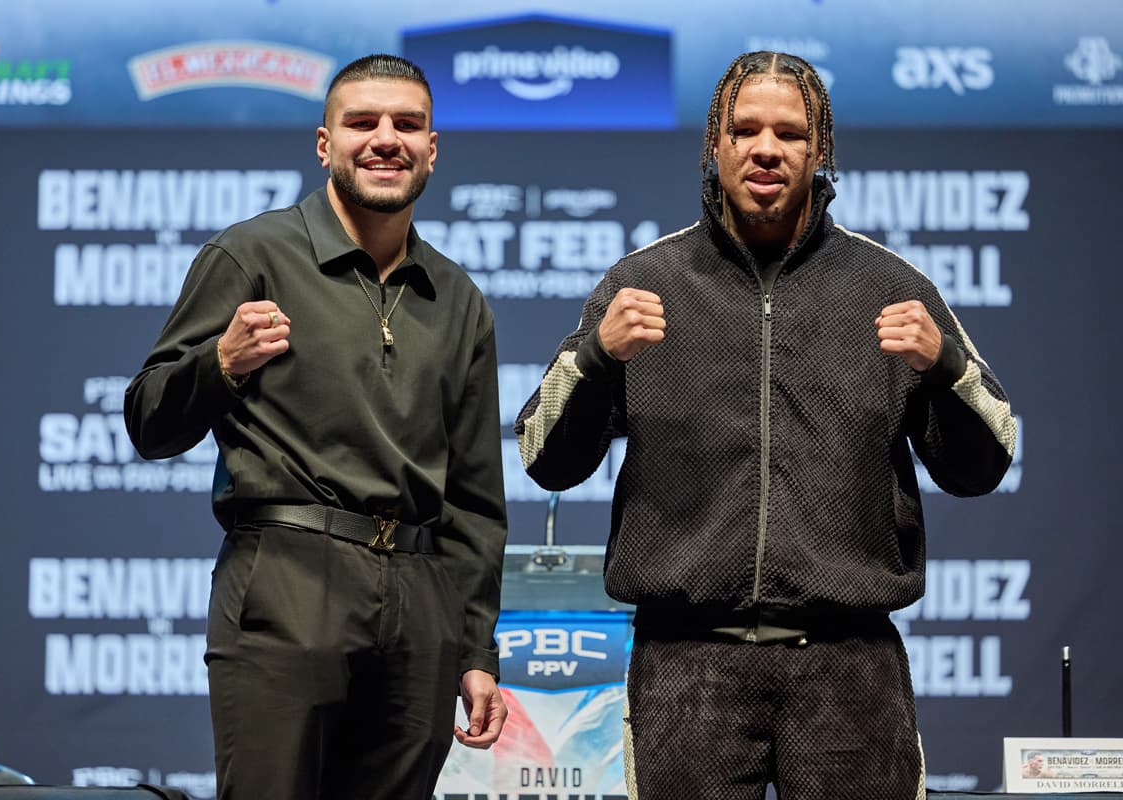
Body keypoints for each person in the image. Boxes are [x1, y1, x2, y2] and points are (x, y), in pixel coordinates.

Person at [515, 50, 1015, 800]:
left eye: (789, 133)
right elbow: (543, 456)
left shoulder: (892, 288)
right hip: (688, 670)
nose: (766, 149)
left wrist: (944, 364)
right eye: (745, 130)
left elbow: (983, 464)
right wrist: (594, 356)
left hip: (850, 669)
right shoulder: (641, 283)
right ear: (715, 146)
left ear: (820, 153)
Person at [125, 54, 508, 800]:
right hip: (289, 575)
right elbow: (149, 420)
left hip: (422, 597)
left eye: (408, 124)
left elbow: (473, 496)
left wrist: (476, 648)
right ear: (324, 144)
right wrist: (222, 364)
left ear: (434, 147)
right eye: (362, 122)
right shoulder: (252, 255)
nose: (386, 138)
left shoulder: (459, 298)